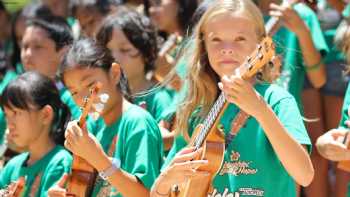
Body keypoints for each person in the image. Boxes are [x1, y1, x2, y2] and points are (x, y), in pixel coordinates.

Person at [150, 0, 314, 196]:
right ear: (204, 47)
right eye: (216, 40)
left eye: (240, 39)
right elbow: (158, 192)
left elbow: (304, 175)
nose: (227, 48)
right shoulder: (196, 108)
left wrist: (261, 111)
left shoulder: (277, 100)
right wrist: (166, 181)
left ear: (260, 45)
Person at [48, 38, 164, 197]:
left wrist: (97, 158)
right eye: (74, 92)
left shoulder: (137, 122)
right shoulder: (95, 127)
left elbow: (146, 194)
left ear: (115, 74)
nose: (83, 98)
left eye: (90, 85)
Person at [0, 71, 72, 196]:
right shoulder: (12, 166)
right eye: (7, 115)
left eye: (16, 113)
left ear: (45, 115)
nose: (10, 124)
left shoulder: (59, 162)